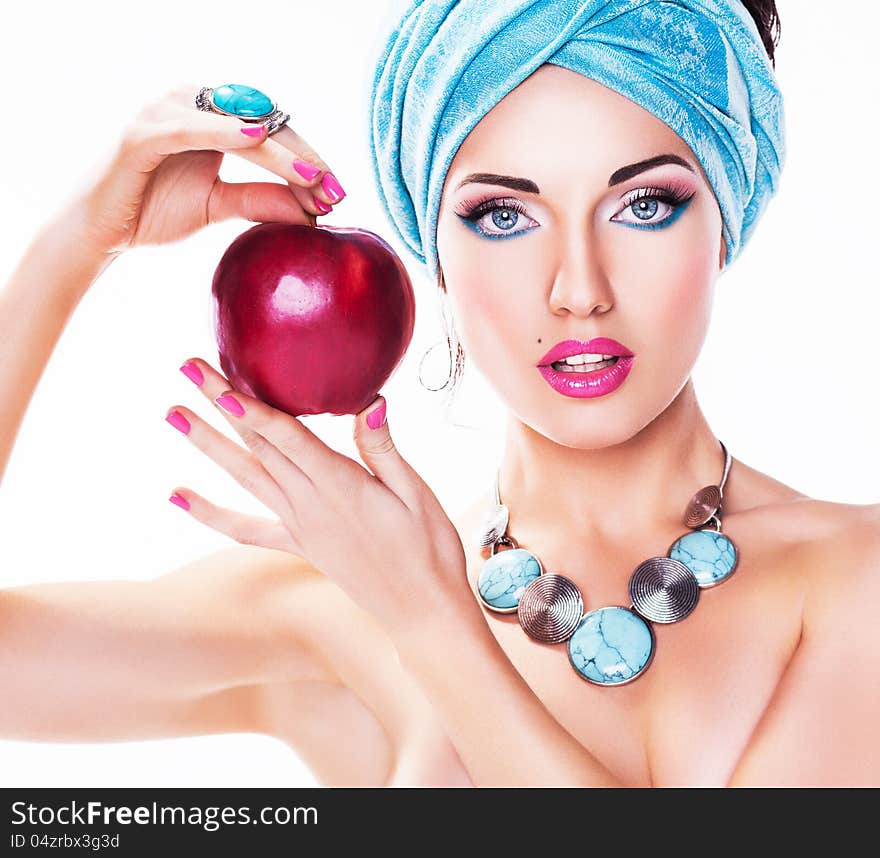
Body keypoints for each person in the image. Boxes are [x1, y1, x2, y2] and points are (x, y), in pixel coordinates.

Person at [1, 0, 878, 789]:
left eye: (644, 204)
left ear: (729, 215)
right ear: (433, 250)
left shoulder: (854, 576)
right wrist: (78, 242)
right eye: (504, 215)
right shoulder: (342, 602)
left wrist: (431, 622)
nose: (579, 288)